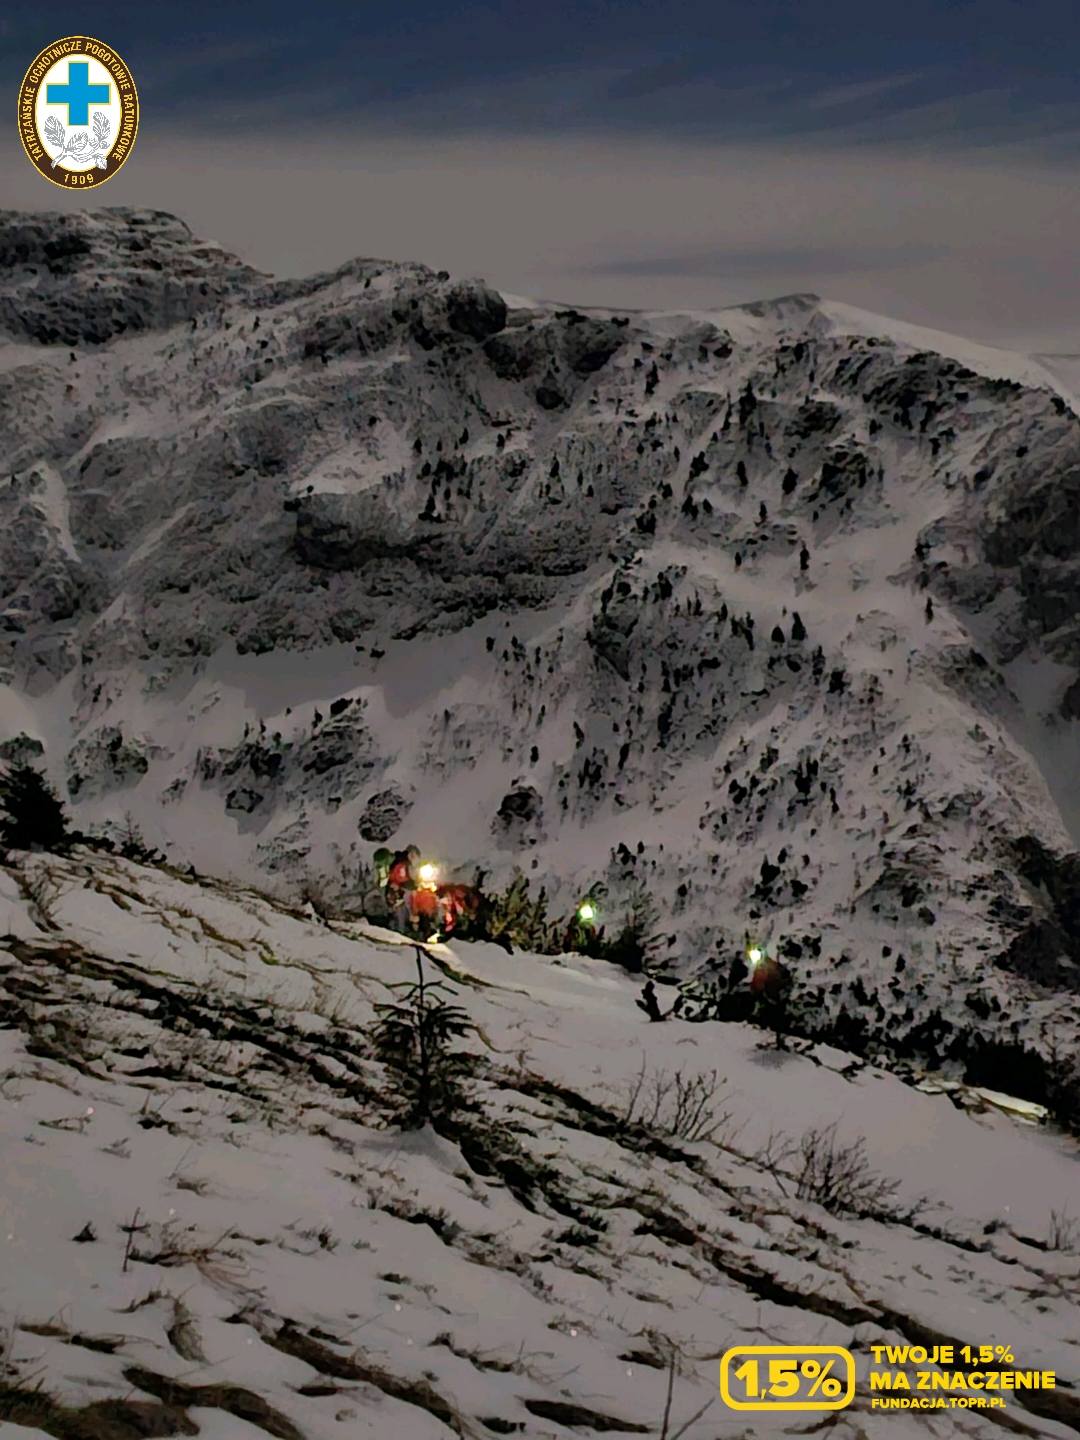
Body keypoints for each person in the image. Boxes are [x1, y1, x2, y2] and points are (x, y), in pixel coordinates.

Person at [385, 845, 421, 931]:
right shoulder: (402, 865)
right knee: (401, 912)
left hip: (400, 892)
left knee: (405, 910)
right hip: (399, 894)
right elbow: (400, 878)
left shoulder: (405, 864)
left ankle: (403, 929)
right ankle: (401, 931)